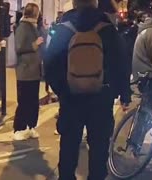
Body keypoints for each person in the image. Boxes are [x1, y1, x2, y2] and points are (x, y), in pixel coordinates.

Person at [43, 0, 131, 179]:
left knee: (69, 145)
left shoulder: (64, 28)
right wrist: (122, 92)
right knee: (99, 148)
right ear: (95, 4)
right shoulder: (107, 28)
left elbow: (50, 63)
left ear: (75, 4)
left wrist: (63, 89)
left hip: (71, 98)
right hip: (101, 98)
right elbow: (122, 62)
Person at [13, 3, 43, 140]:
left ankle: (31, 126)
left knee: (33, 101)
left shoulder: (33, 26)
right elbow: (19, 47)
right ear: (34, 13)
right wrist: (35, 44)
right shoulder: (23, 27)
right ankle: (19, 128)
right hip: (25, 71)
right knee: (24, 101)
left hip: (34, 71)